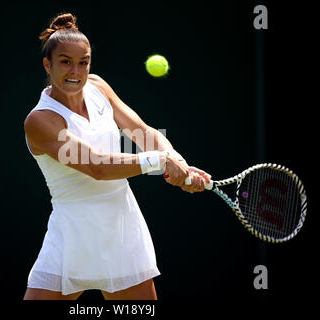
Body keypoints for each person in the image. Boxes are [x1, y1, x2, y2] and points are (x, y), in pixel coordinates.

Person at [23, 13, 211, 300]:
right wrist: (160, 161)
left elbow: (142, 132)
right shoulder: (40, 121)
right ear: (47, 64)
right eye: (65, 61)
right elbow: (96, 166)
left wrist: (180, 165)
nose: (76, 71)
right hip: (72, 235)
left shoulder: (97, 86)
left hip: (121, 229)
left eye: (83, 62)